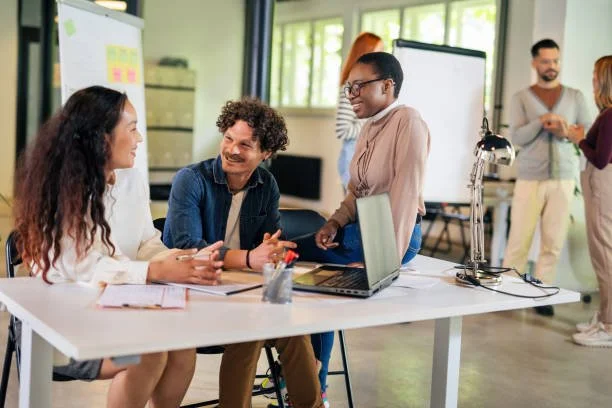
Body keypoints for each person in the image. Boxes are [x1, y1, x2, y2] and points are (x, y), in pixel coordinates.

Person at [14, 86, 223, 408]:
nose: (139, 139)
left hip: (122, 313)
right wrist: (154, 271)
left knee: (183, 343)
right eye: (133, 128)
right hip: (63, 326)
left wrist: (183, 259)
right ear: (101, 137)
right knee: (147, 356)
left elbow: (145, 243)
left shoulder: (130, 180)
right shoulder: (59, 189)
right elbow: (80, 267)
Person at [163, 98, 324, 407]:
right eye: (228, 139)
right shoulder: (191, 180)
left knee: (293, 325)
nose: (232, 150)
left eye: (245, 145)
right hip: (192, 293)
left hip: (240, 290)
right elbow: (188, 248)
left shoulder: (267, 186)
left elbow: (269, 243)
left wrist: (273, 252)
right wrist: (251, 258)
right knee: (251, 324)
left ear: (265, 153)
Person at [296, 52, 430, 399]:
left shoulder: (408, 122)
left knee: (292, 252)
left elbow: (403, 197)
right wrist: (335, 222)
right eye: (348, 88)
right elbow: (357, 189)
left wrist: (385, 265)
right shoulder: (369, 126)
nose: (352, 94)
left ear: (388, 86)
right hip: (361, 230)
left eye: (360, 86)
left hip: (392, 235)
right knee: (317, 288)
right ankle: (309, 386)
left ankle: (308, 387)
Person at [502, 39, 591, 316]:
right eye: (545, 61)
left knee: (553, 242)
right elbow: (516, 137)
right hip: (530, 178)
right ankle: (507, 290)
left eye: (555, 61)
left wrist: (565, 131)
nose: (551, 66)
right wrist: (541, 122)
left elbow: (585, 134)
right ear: (535, 63)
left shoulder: (575, 97)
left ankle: (543, 295)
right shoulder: (521, 98)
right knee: (519, 238)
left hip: (563, 178)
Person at [568, 55, 612, 347]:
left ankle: (608, 327)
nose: (593, 79)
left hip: (602, 186)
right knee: (604, 255)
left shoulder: (610, 115)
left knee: (605, 257)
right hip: (602, 186)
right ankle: (604, 317)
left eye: (596, 75)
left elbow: (600, 158)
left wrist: (579, 138)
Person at [336, 32, 384, 191]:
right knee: (360, 215)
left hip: (367, 163)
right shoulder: (351, 88)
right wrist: (371, 120)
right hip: (353, 161)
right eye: (378, 51)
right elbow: (342, 131)